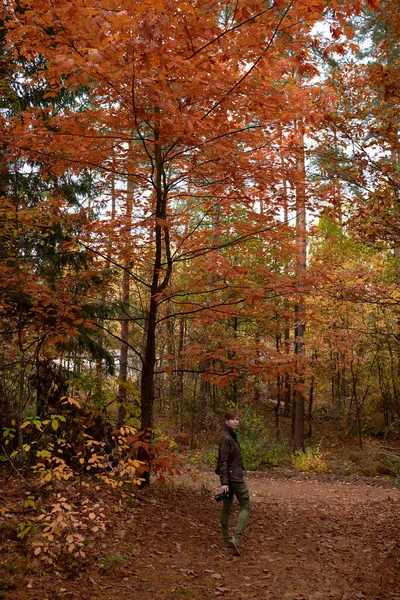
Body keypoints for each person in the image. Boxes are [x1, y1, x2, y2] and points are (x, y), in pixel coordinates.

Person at [215, 408, 251, 556]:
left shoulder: (230, 436)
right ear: (226, 421)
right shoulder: (225, 438)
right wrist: (224, 482)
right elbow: (222, 461)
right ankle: (235, 538)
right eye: (233, 419)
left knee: (227, 508)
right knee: (246, 505)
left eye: (237, 419)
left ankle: (226, 541)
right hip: (233, 478)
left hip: (231, 477)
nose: (236, 421)